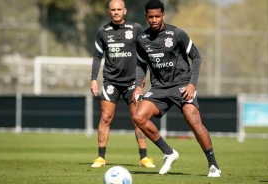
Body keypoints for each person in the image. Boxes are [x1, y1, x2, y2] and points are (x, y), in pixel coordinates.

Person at [132, 0, 221, 177]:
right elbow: (140, 65)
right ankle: (169, 152)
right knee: (138, 116)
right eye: (151, 17)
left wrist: (192, 84)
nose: (154, 20)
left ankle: (213, 165)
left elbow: (196, 57)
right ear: (146, 17)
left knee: (193, 121)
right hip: (158, 88)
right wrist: (137, 86)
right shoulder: (142, 40)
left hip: (181, 85)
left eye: (158, 16)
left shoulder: (177, 34)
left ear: (163, 15)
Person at [90, 0, 155, 168]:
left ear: (125, 11)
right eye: (113, 10)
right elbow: (97, 56)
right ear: (109, 11)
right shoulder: (103, 32)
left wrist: (143, 77)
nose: (116, 12)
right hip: (111, 82)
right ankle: (100, 157)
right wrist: (93, 79)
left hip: (132, 83)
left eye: (119, 9)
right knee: (105, 117)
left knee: (138, 119)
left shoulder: (136, 29)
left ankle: (144, 158)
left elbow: (145, 53)